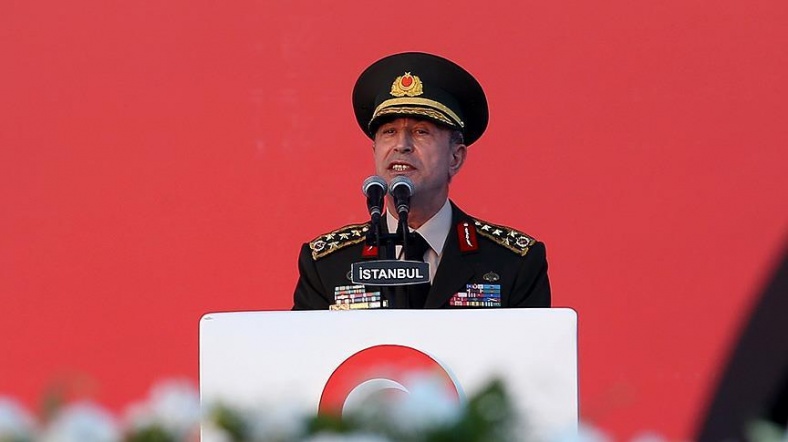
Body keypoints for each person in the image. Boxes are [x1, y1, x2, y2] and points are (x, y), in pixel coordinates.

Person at [292, 52, 550, 310]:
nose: (401, 145)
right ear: (375, 152)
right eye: (389, 132)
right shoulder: (327, 265)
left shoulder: (513, 263)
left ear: (455, 157)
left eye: (420, 132)